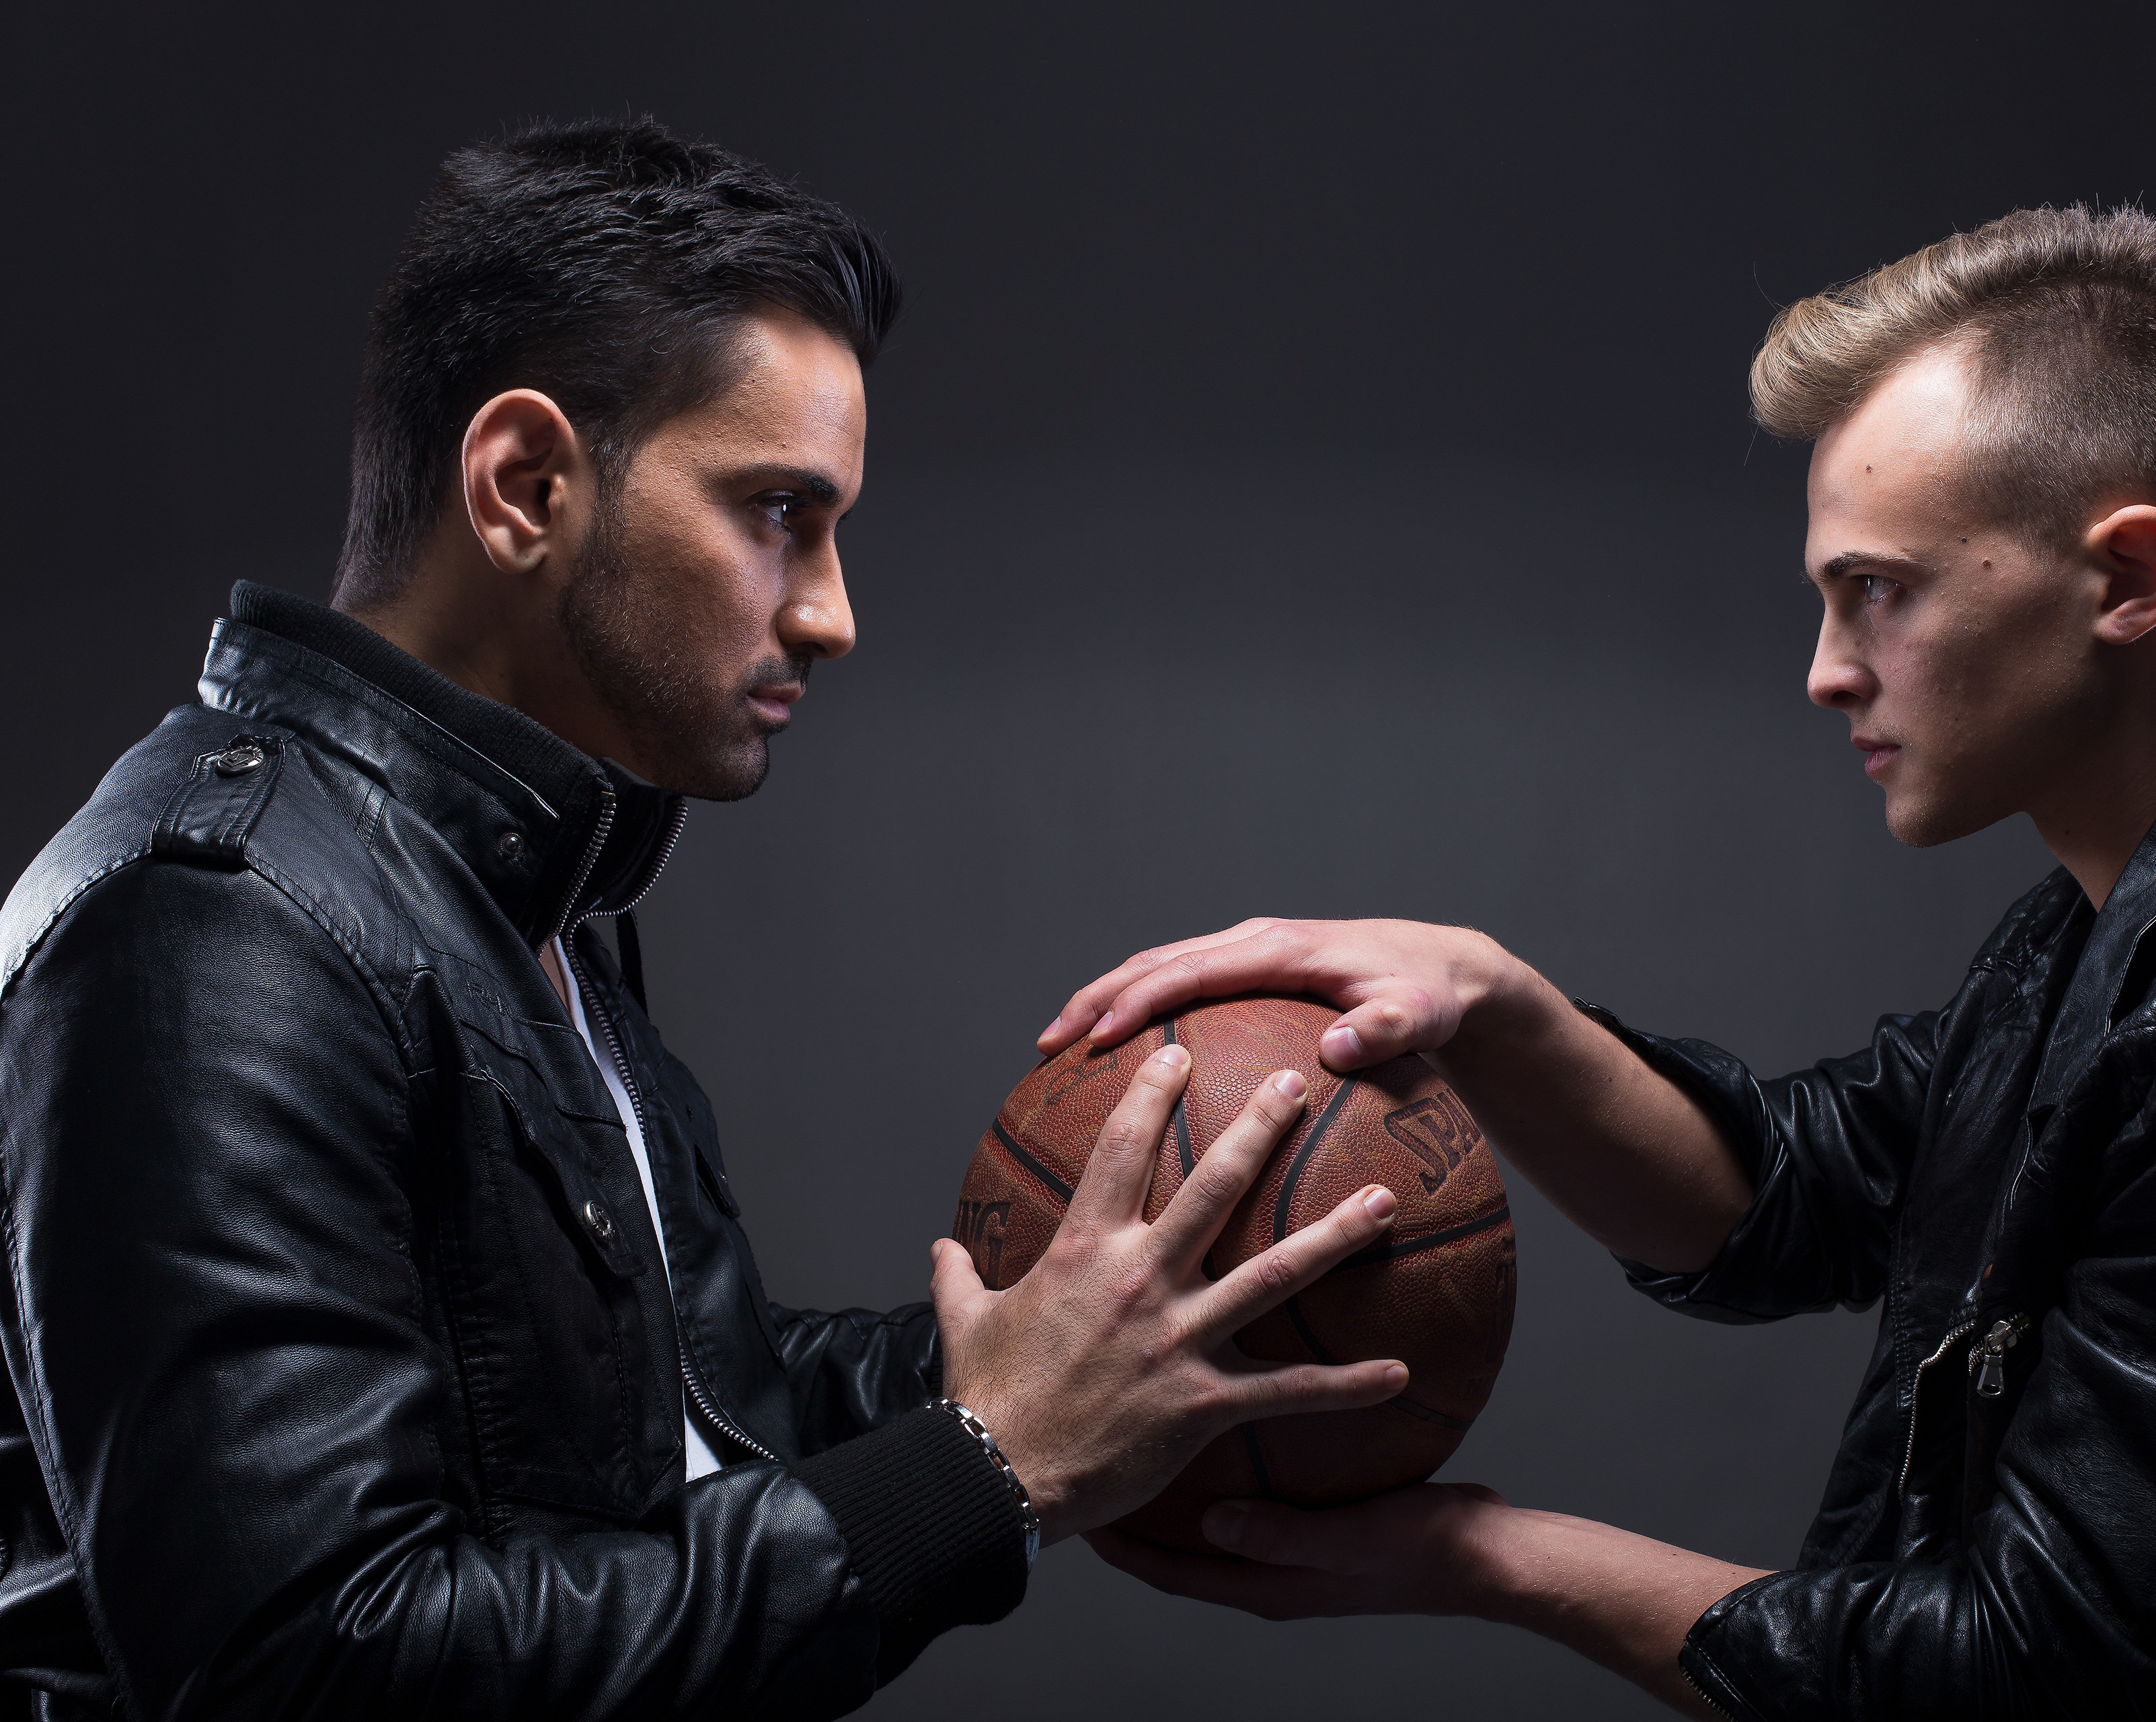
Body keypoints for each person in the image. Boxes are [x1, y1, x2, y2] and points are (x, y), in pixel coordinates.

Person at [1056, 207, 2156, 1718]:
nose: (1825, 667)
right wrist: (1491, 1002)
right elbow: (1797, 1195)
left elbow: (2052, 1685)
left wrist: (1482, 1554)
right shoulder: (2142, 914)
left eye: (1879, 590)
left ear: (2126, 577)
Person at [0, 119, 1413, 1718]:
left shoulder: (519, 879)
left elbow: (654, 1426)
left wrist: (1078, 1343)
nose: (831, 611)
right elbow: (317, 1664)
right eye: (776, 514)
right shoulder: (218, 927)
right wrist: (986, 1460)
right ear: (526, 484)